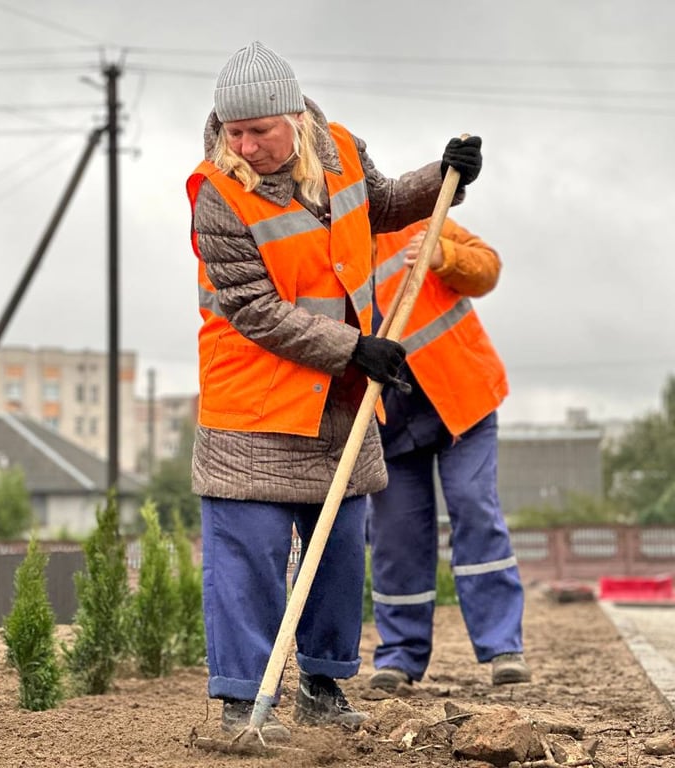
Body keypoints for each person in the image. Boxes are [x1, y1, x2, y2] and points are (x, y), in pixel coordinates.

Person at [186, 41, 483, 741]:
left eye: (260, 131)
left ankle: (322, 687)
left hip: (338, 400)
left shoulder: (341, 150)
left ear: (295, 118)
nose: (248, 145)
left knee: (341, 548)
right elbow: (254, 309)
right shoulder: (217, 195)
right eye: (236, 133)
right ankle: (239, 705)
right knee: (249, 554)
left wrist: (443, 175)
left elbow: (382, 205)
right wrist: (355, 346)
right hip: (253, 404)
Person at [367, 218, 529, 691]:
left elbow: (488, 269)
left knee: (474, 507)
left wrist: (446, 258)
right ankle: (399, 657)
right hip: (389, 420)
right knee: (395, 536)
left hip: (463, 401)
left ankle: (503, 647)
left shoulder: (418, 220)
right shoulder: (324, 248)